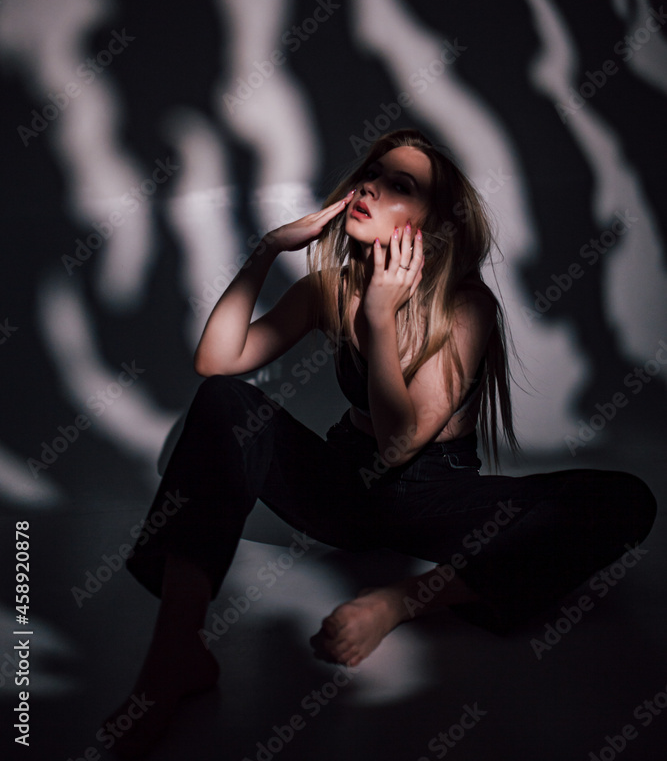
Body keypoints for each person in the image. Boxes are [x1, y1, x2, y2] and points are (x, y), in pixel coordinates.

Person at [105, 128, 657, 757]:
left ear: (434, 224)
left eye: (400, 185)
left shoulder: (466, 306)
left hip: (434, 497)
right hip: (343, 486)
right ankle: (175, 652)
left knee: (622, 500)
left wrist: (379, 315)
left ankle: (403, 601)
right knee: (225, 402)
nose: (369, 186)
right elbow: (217, 360)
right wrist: (266, 250)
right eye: (371, 172)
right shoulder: (331, 288)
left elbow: (400, 445)